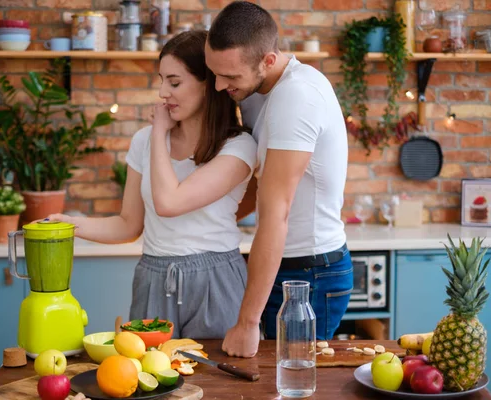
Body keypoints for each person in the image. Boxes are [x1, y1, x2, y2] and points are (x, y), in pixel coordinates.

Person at [47, 30, 257, 339]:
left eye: (173, 82)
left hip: (216, 279)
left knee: (218, 383)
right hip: (153, 279)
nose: (162, 92)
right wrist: (68, 225)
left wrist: (159, 133)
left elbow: (168, 203)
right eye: (161, 80)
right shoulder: (143, 141)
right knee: (150, 379)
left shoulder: (238, 146)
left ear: (208, 84)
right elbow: (129, 225)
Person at [205, 1, 353, 357]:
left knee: (289, 385)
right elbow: (260, 181)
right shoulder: (256, 89)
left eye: (230, 77)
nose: (219, 85)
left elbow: (276, 212)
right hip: (288, 265)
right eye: (214, 73)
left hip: (310, 275)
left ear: (268, 61)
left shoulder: (297, 96)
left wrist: (246, 323)